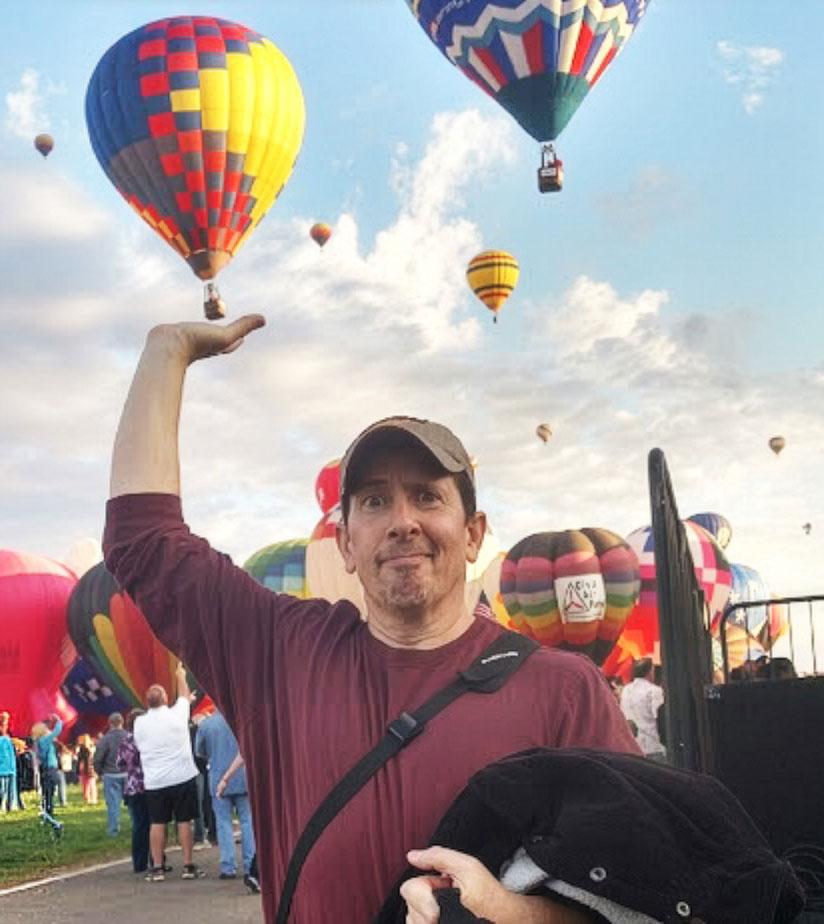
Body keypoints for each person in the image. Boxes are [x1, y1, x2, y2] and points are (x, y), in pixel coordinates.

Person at [103, 316, 639, 923]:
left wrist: (506, 911)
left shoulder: (563, 691)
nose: (402, 520)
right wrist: (165, 354)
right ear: (345, 544)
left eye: (428, 495)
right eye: (376, 500)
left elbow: (630, 904)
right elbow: (141, 540)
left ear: (473, 535)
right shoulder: (282, 655)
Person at [133, 665, 206, 882]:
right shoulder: (178, 714)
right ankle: (188, 865)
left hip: (155, 781)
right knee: (184, 821)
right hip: (182, 776)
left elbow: (138, 745)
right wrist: (181, 676)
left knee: (157, 823)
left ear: (147, 702)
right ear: (166, 699)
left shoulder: (140, 722)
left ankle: (157, 868)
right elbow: (184, 696)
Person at [195, 709, 256, 885]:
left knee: (223, 823)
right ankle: (250, 864)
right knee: (247, 821)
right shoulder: (241, 720)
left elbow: (199, 751)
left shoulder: (206, 725)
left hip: (217, 775)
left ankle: (228, 866)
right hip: (243, 775)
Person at [117, 709, 152, 874]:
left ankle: (139, 862)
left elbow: (120, 763)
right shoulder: (150, 738)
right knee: (155, 823)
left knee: (138, 825)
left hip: (132, 785)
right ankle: (157, 859)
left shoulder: (126, 740)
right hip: (150, 784)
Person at [620, 658, 666, 761]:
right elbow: (659, 716)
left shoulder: (626, 690)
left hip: (634, 745)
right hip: (653, 743)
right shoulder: (654, 691)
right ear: (650, 671)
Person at [93, 712, 129, 835]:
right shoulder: (129, 737)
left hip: (110, 774)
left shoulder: (105, 739)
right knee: (134, 804)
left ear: (110, 724)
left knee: (113, 805)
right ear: (122, 722)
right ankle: (137, 827)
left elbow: (98, 758)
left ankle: (113, 831)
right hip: (128, 774)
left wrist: (100, 772)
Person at [31, 715, 63, 817]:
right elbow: (57, 731)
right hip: (51, 768)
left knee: (46, 790)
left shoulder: (37, 742)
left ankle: (47, 809)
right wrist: (58, 720)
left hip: (44, 767)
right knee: (51, 790)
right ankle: (49, 810)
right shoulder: (45, 740)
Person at [0, 711, 17, 812]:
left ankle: (11, 805)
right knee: (2, 789)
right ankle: (2, 806)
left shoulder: (9, 736)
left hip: (11, 766)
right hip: (2, 767)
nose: (5, 725)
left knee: (11, 788)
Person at [76, 734, 98, 804]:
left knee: (91, 784)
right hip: (85, 768)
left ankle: (92, 798)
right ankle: (88, 798)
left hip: (90, 768)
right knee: (86, 785)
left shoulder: (91, 749)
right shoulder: (82, 750)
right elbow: (80, 760)